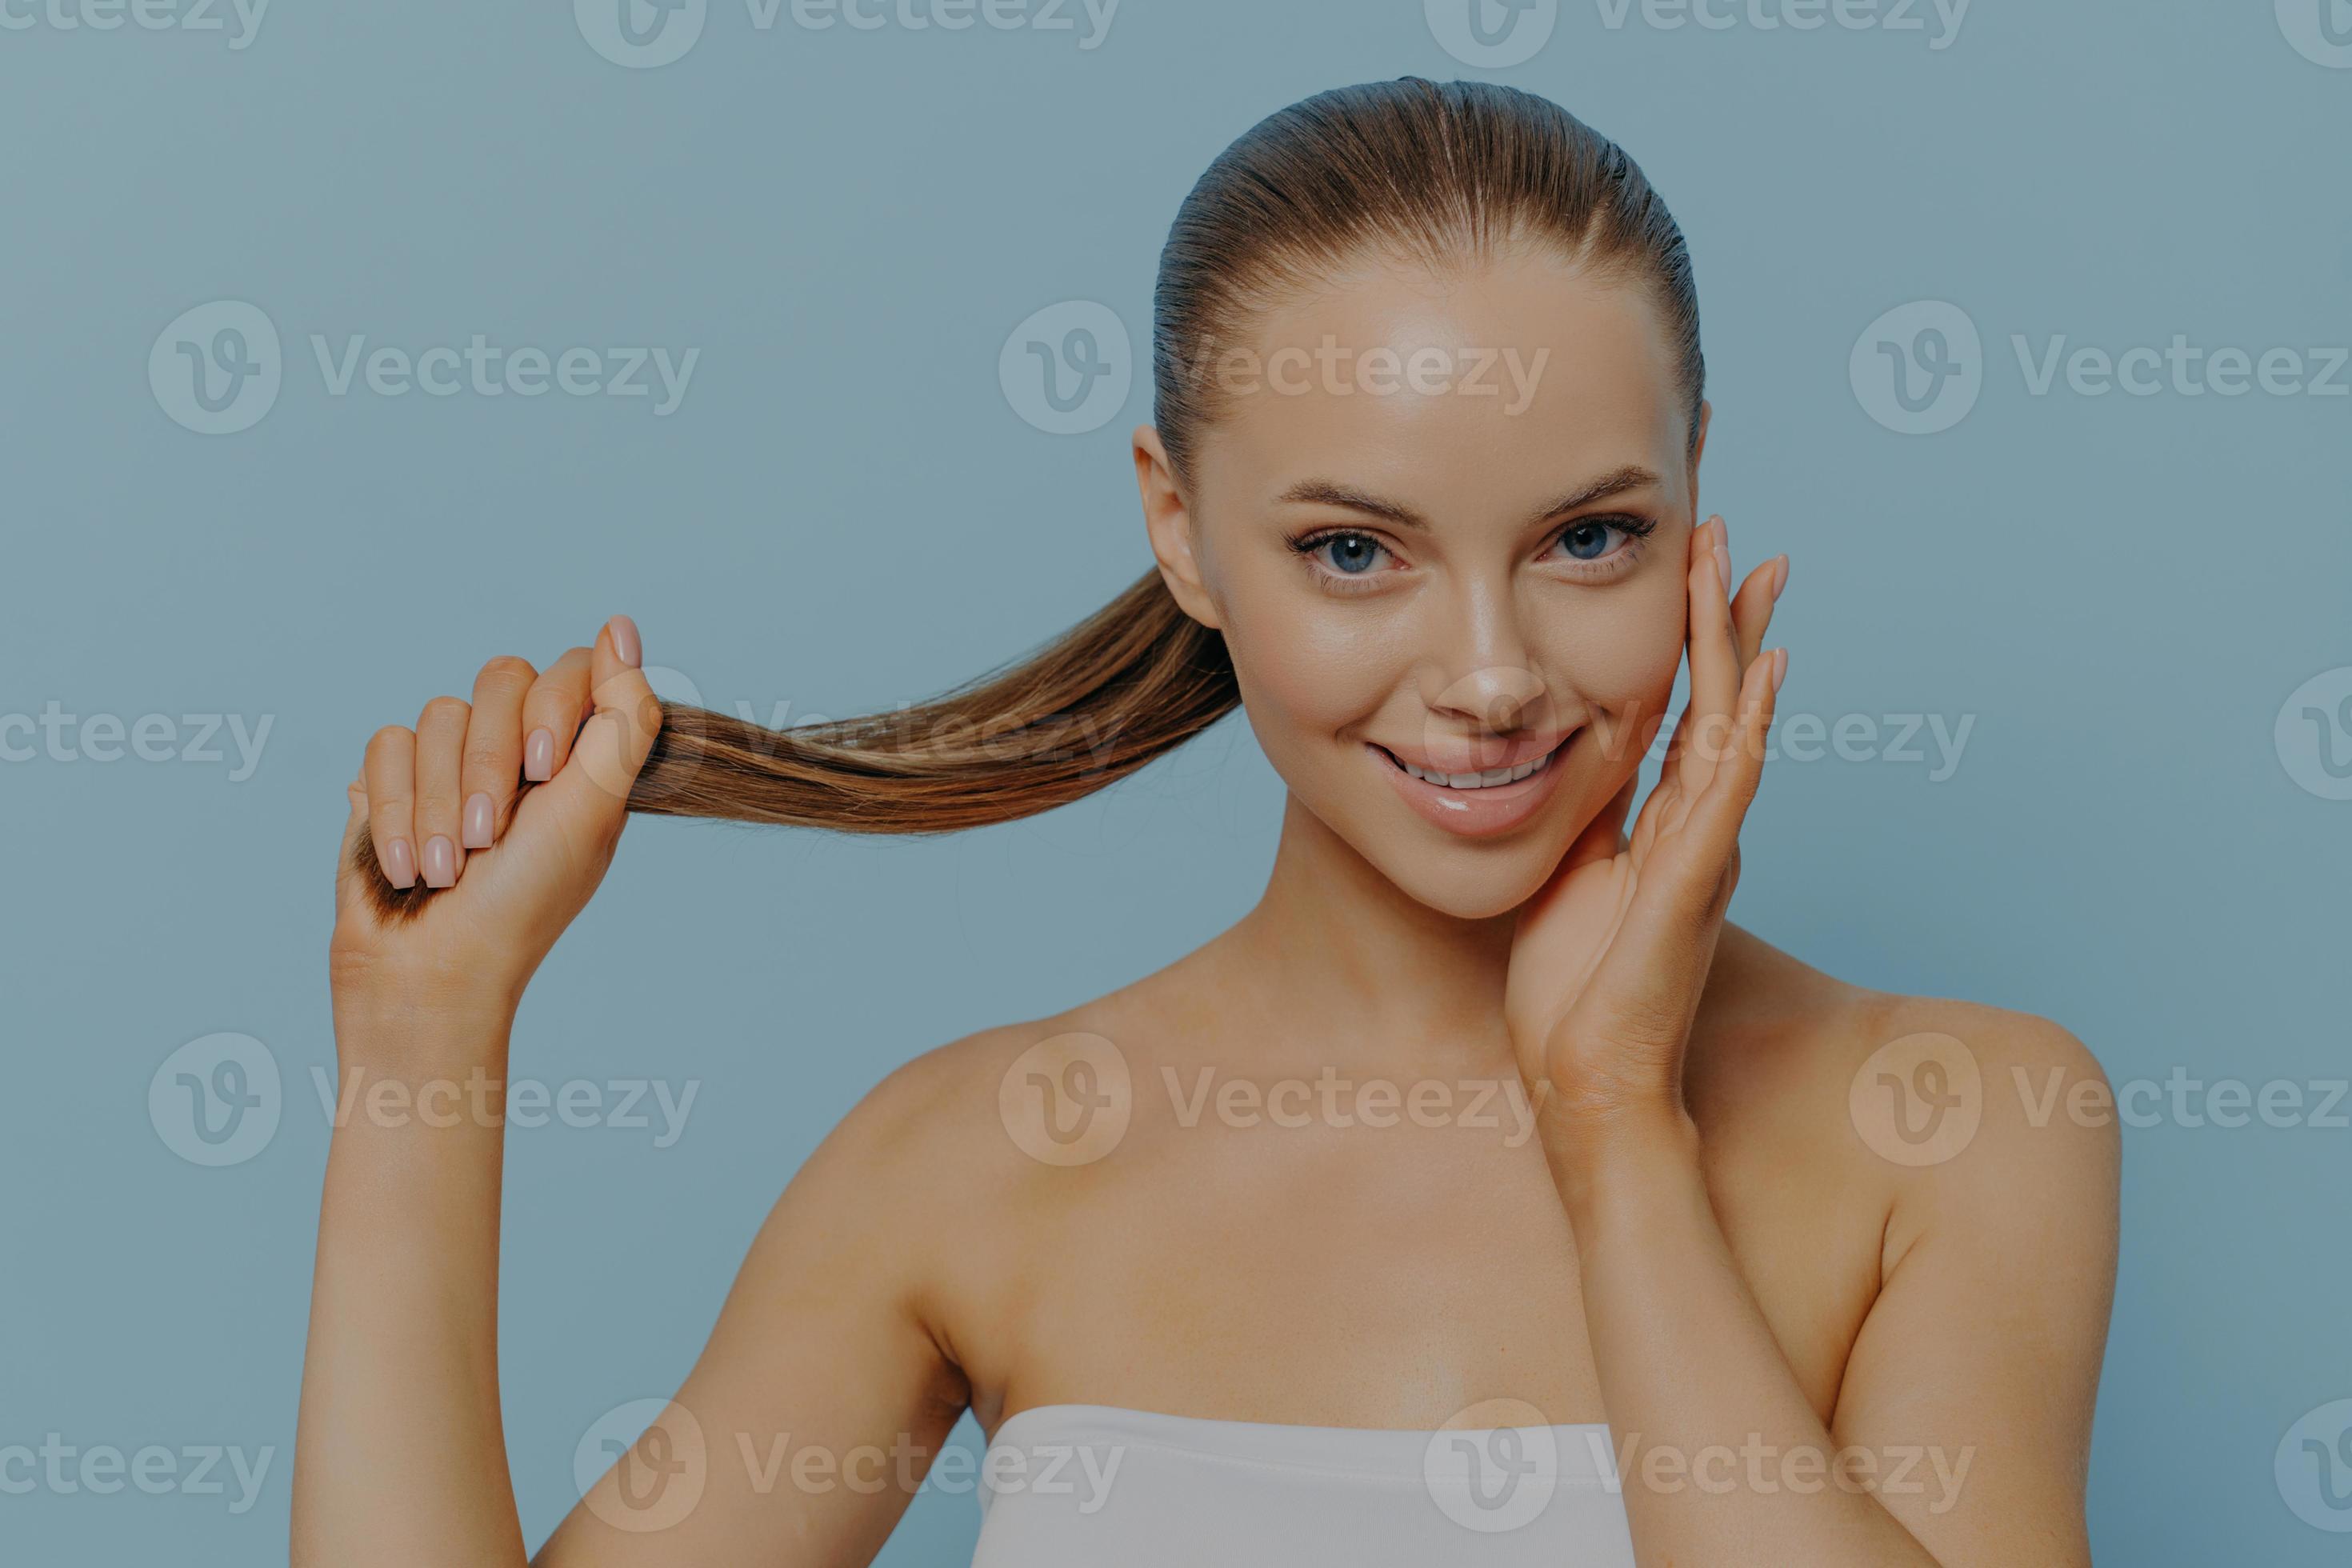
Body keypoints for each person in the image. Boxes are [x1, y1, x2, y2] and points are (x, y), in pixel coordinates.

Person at [291, 78, 2118, 1566]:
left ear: (1697, 485)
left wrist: (1618, 1128)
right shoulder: (973, 1161)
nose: (1490, 674)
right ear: (1180, 527)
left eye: (1588, 537)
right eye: (1352, 551)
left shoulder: (1953, 1127)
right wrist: (419, 1042)